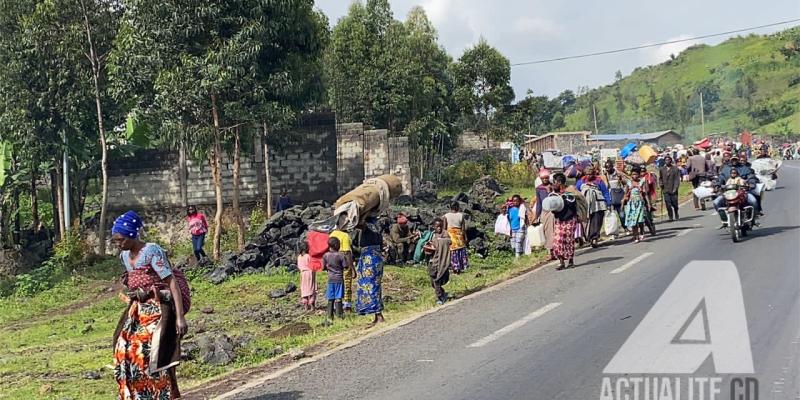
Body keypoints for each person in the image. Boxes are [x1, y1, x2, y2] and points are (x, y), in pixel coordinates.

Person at [112, 211, 188, 400]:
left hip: (158, 307)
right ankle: (137, 395)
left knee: (147, 352)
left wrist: (179, 317)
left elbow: (172, 283)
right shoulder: (124, 256)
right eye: (115, 241)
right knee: (122, 346)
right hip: (138, 309)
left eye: (120, 240)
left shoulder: (152, 251)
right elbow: (133, 280)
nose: (118, 244)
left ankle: (162, 394)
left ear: (131, 235)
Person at [353, 219, 385, 324]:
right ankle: (377, 315)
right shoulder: (376, 225)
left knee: (371, 287)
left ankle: (379, 315)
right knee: (374, 286)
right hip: (375, 258)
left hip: (369, 260)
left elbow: (359, 224)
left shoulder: (369, 226)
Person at [576, 166, 612, 247]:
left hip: (598, 204)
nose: (589, 176)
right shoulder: (581, 182)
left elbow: (605, 192)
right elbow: (577, 193)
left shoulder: (599, 181)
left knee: (596, 221)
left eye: (590, 174)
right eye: (587, 174)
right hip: (585, 205)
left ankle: (594, 238)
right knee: (586, 222)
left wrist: (608, 203)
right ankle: (587, 237)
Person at [551, 173, 578, 270]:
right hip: (559, 220)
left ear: (559, 182)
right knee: (557, 240)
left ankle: (570, 260)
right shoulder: (554, 193)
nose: (553, 184)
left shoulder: (569, 193)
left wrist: (562, 198)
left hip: (570, 219)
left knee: (568, 240)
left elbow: (572, 204)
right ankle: (561, 262)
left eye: (555, 182)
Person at [330, 219, 355, 311]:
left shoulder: (332, 234)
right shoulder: (345, 236)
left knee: (335, 283)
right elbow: (347, 252)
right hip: (344, 262)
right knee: (347, 282)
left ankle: (334, 304)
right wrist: (352, 268)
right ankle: (347, 304)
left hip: (333, 263)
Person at [322, 237, 346, 321]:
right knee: (338, 297)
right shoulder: (341, 255)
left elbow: (323, 267)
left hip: (330, 279)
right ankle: (339, 315)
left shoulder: (325, 255)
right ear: (336, 245)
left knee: (330, 298)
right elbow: (345, 266)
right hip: (339, 279)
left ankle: (329, 316)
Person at [427, 218, 451, 305]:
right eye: (437, 227)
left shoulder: (445, 234)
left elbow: (449, 241)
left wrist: (439, 242)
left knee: (437, 280)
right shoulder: (431, 235)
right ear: (434, 227)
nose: (439, 228)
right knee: (433, 281)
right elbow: (427, 244)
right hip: (433, 261)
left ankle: (439, 297)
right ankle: (442, 293)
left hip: (442, 260)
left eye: (441, 226)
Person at [623, 167, 649, 243]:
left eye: (636, 174)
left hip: (640, 203)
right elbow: (626, 193)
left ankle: (641, 232)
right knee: (632, 221)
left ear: (639, 175)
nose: (634, 176)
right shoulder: (629, 183)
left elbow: (645, 192)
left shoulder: (641, 182)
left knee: (639, 220)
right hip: (631, 204)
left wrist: (641, 190)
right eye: (633, 174)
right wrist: (624, 201)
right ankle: (635, 235)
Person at [443, 202, 469, 274]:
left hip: (450, 236)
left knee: (452, 252)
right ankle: (459, 268)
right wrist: (465, 238)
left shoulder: (446, 216)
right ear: (457, 207)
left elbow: (444, 229)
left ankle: (454, 267)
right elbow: (463, 229)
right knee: (460, 251)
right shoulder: (461, 216)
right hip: (459, 236)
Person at [604, 161, 628, 234]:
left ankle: (625, 227)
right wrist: (605, 177)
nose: (608, 169)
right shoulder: (605, 175)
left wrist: (620, 179)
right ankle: (614, 231)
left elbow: (625, 183)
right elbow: (606, 186)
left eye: (609, 167)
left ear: (612, 166)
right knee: (612, 216)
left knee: (621, 214)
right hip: (610, 198)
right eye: (606, 167)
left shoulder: (618, 174)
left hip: (618, 196)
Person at [659, 156, 682, 221]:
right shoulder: (662, 169)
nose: (667, 161)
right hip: (665, 189)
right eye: (666, 160)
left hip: (673, 188)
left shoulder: (675, 169)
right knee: (668, 203)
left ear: (671, 161)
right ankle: (670, 216)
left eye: (668, 160)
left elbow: (677, 179)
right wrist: (660, 183)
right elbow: (660, 178)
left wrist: (676, 188)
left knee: (674, 203)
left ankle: (676, 212)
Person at [297, 242, 316, 312]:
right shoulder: (309, 256)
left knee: (304, 289)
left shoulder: (299, 257)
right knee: (311, 288)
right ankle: (312, 306)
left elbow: (299, 267)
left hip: (302, 274)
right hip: (309, 273)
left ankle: (305, 306)